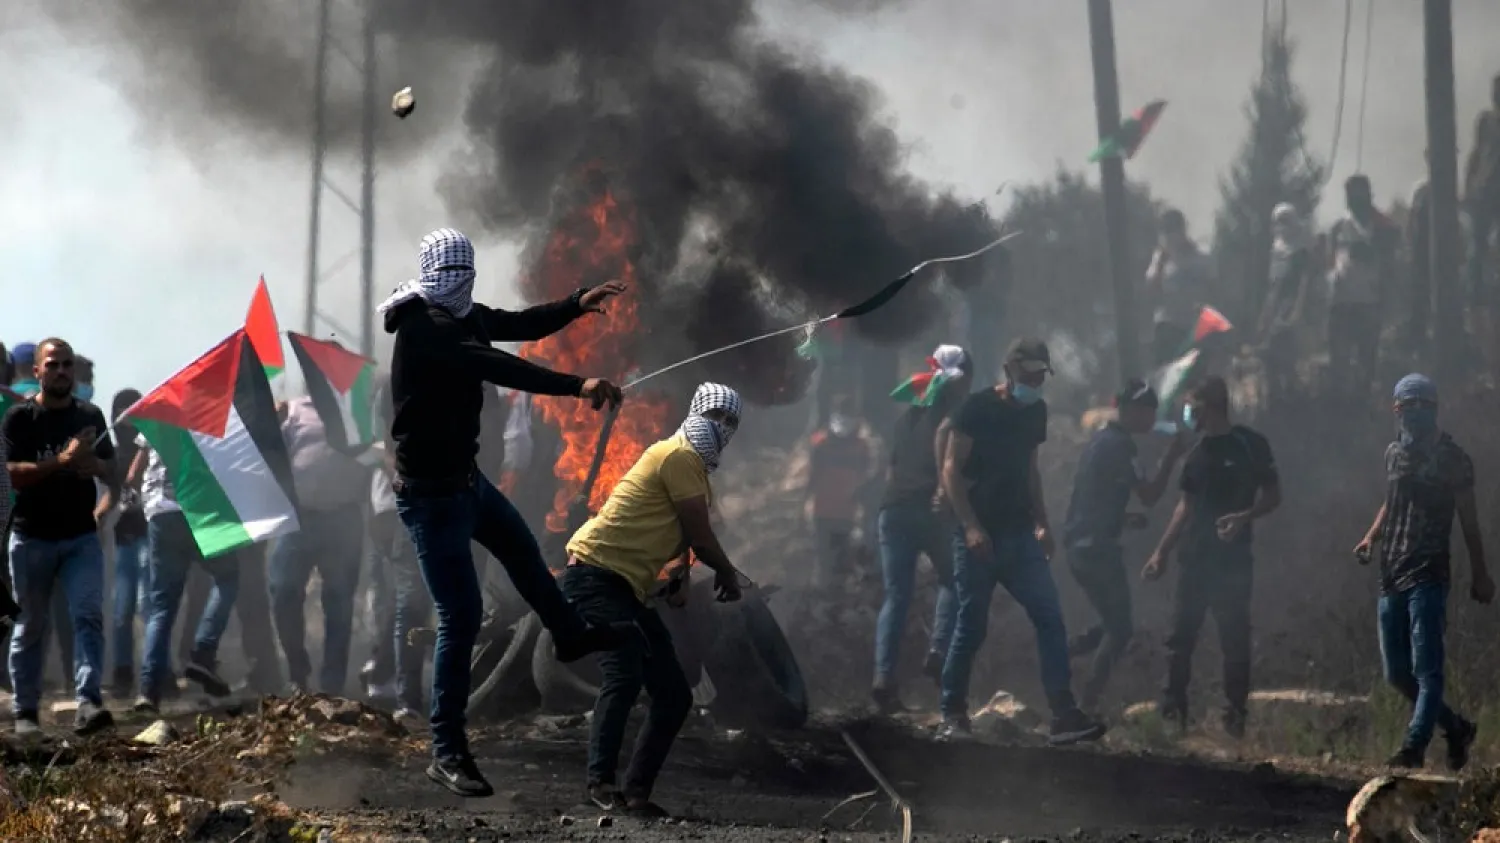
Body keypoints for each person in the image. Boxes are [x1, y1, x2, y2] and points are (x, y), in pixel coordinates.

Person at [381, 227, 633, 797]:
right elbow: (500, 365)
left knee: (526, 558)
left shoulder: (461, 312)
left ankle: (570, 637)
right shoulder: (426, 327)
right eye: (455, 277)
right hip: (431, 501)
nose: (463, 286)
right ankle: (446, 750)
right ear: (435, 278)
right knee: (460, 617)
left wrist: (573, 305)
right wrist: (578, 384)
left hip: (468, 485)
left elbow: (516, 325)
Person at [563, 382, 747, 817]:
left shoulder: (694, 471)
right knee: (623, 673)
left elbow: (683, 531)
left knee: (674, 693)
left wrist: (681, 572)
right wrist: (726, 573)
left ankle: (636, 793)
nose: (720, 426)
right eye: (715, 415)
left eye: (730, 421)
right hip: (595, 574)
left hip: (628, 588)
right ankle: (600, 783)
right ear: (697, 412)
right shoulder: (678, 454)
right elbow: (702, 536)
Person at [939, 337, 1105, 745]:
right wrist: (971, 526)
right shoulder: (976, 409)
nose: (1035, 383)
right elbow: (950, 470)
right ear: (1010, 371)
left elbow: (1031, 471)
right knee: (971, 626)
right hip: (979, 537)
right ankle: (952, 713)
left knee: (1050, 616)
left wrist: (1043, 523)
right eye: (1029, 375)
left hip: (1018, 536)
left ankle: (1063, 714)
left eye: (1040, 377)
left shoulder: (1036, 412)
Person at [1353, 374, 1493, 770]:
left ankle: (1414, 746)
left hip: (1429, 574)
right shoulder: (1393, 454)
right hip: (1391, 573)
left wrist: (1481, 573)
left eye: (1421, 406)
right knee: (1396, 673)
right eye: (1405, 406)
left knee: (1427, 669)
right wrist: (1370, 537)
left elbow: (1469, 522)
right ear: (1396, 410)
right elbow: (1391, 500)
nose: (1413, 413)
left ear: (1434, 409)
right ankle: (1457, 728)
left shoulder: (1454, 460)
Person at [1142, 376, 1280, 738]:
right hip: (1193, 561)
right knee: (1179, 641)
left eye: (1193, 406)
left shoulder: (1250, 445)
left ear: (1211, 406)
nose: (1189, 414)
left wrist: (1244, 517)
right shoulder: (1195, 453)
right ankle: (1173, 720)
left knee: (1234, 641)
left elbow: (1273, 496)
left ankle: (1234, 722)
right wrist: (1161, 552)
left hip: (1233, 564)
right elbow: (1183, 507)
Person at [1, 338, 115, 735]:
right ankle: (26, 711)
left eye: (67, 364)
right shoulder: (20, 419)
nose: (62, 371)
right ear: (37, 371)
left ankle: (88, 701)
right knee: (31, 624)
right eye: (53, 365)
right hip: (32, 538)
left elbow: (114, 473)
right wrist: (60, 462)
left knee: (87, 615)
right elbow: (12, 473)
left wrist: (96, 465)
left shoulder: (91, 416)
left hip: (80, 537)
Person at [1063, 380, 1188, 713]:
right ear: (1132, 412)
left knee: (1113, 621)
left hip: (1081, 544)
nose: (1151, 421)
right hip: (1095, 548)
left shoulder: (1101, 441)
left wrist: (1123, 518)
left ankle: (1065, 653)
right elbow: (1149, 495)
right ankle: (1086, 703)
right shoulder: (1120, 446)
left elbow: (1094, 499)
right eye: (1148, 413)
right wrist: (1172, 456)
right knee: (1120, 629)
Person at [870, 344, 971, 712]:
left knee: (896, 596)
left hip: (891, 509)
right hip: (928, 509)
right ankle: (939, 651)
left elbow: (891, 470)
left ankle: (883, 678)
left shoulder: (906, 418)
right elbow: (952, 465)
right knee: (956, 580)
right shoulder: (956, 416)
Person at [268, 395, 371, 695]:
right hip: (300, 518)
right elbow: (274, 451)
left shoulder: (358, 410)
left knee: (339, 602)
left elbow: (374, 452)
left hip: (343, 517)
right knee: (283, 590)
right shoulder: (296, 409)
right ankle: (297, 670)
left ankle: (332, 685)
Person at [128, 433, 238, 710]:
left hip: (161, 517)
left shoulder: (159, 409)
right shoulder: (212, 413)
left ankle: (148, 691)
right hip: (200, 511)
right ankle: (203, 652)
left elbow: (131, 476)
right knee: (227, 577)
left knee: (162, 607)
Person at [1326, 175, 1398, 400]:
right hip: (1340, 301)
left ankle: (1362, 404)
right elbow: (1329, 259)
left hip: (1369, 301)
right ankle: (1342, 405)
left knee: (1366, 360)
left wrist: (1372, 252)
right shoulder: (1339, 226)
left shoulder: (1382, 226)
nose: (1353, 199)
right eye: (1350, 194)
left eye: (1357, 193)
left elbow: (1391, 256)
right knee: (1339, 359)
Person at [104, 388, 149, 699]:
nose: (127, 419)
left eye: (134, 411)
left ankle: (155, 670)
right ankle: (123, 672)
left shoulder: (150, 450)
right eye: (122, 412)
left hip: (150, 539)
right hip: (121, 542)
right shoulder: (111, 456)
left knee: (149, 608)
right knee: (121, 613)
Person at [805, 394, 872, 592]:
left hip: (843, 511)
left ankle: (833, 600)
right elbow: (813, 476)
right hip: (828, 510)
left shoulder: (861, 446)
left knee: (839, 559)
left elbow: (865, 476)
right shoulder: (821, 443)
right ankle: (824, 600)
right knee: (826, 560)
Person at [1258, 203, 1315, 409]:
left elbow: (1303, 284)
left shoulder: (1300, 251)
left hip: (1291, 312)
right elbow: (1271, 288)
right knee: (1269, 358)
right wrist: (1264, 316)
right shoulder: (1276, 251)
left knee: (1284, 357)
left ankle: (1292, 402)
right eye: (1278, 222)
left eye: (1286, 221)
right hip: (1275, 311)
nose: (1282, 227)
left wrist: (1297, 312)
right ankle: (1275, 402)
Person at [1145, 209, 1215, 366]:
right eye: (1165, 232)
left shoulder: (1200, 259)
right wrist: (1159, 264)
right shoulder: (1160, 260)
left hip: (1193, 325)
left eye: (1173, 230)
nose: (1170, 237)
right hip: (1168, 325)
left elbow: (1212, 289)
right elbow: (1151, 291)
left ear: (1182, 231)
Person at [1464, 73, 1500, 302]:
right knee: (1478, 245)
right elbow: (1476, 154)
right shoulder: (1486, 120)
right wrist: (1469, 186)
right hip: (1485, 191)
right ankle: (1475, 292)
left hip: (1489, 189)